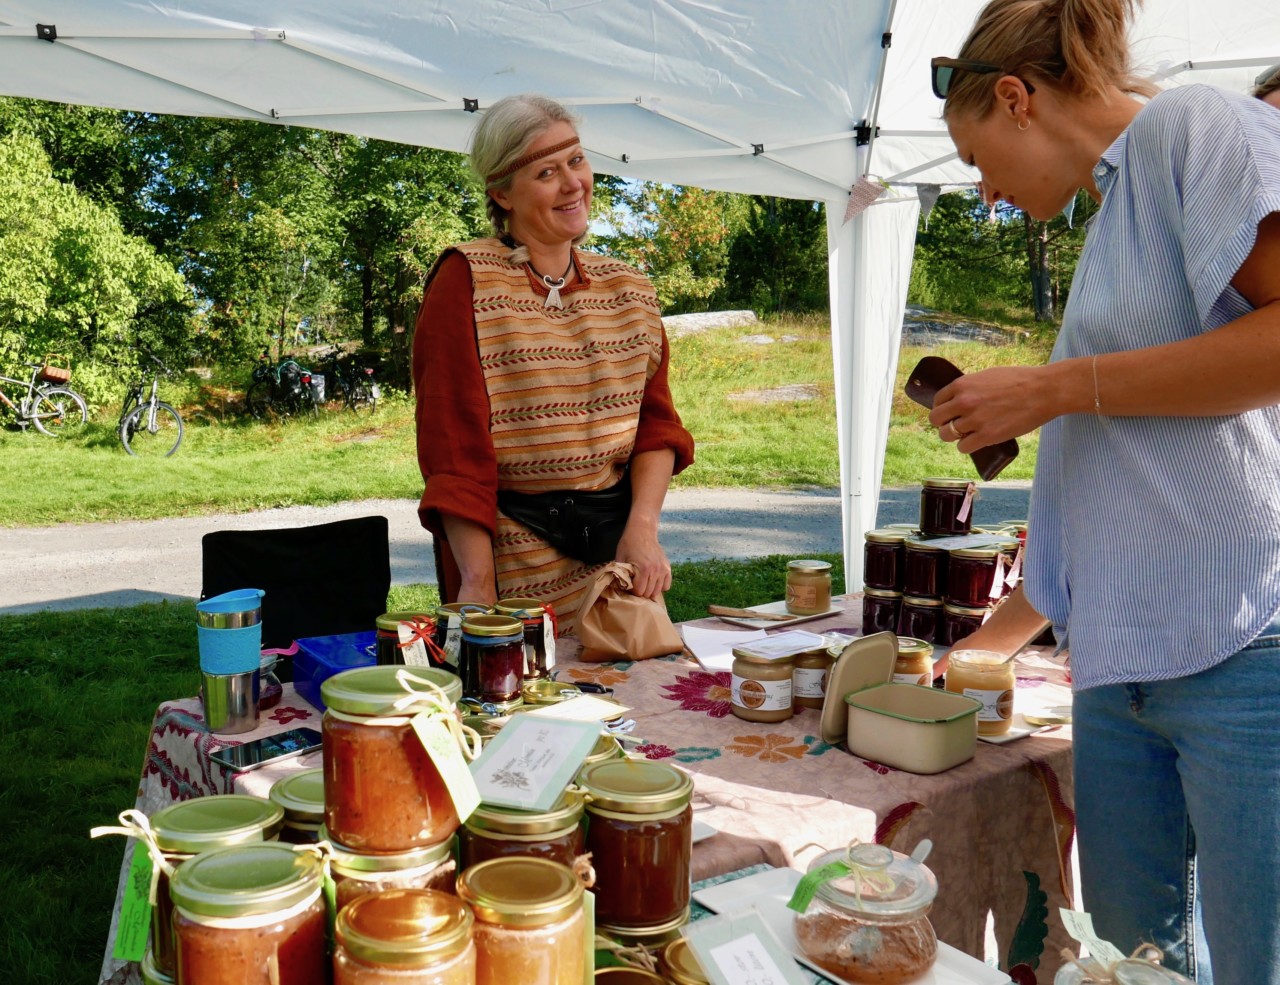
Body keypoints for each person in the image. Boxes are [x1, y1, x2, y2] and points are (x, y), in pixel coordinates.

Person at [928, 2, 1280, 983]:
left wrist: (1046, 389)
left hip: (1242, 647)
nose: (986, 194)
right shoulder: (1112, 224)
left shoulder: (1190, 128)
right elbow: (1121, 483)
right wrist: (991, 639)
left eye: (976, 159)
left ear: (1015, 97)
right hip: (1120, 668)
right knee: (1135, 966)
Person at [413, 94, 694, 635]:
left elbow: (656, 427)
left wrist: (642, 529)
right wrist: (477, 582)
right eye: (546, 172)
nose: (573, 184)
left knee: (631, 702)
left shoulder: (628, 288)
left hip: (616, 556)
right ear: (502, 193)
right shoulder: (467, 279)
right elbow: (454, 446)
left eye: (577, 161)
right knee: (524, 708)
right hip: (510, 557)